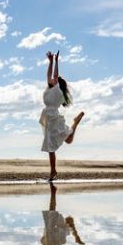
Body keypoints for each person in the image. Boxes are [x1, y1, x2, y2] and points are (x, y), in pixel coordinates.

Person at [40, 50, 85, 183]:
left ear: (58, 83)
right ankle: (53, 170)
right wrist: (50, 61)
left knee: (52, 145)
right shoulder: (49, 88)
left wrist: (56, 61)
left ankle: (53, 171)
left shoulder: (57, 90)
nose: (51, 79)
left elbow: (55, 74)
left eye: (54, 79)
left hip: (53, 118)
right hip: (49, 118)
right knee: (59, 143)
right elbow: (49, 74)